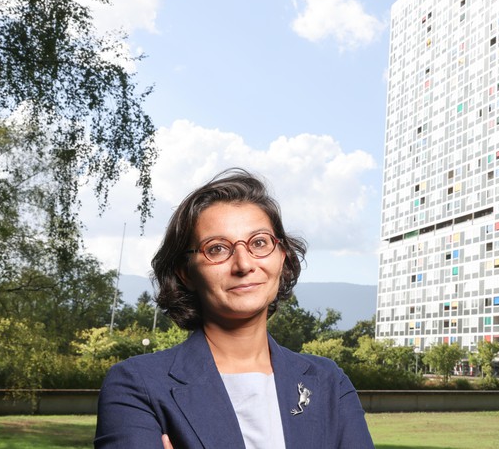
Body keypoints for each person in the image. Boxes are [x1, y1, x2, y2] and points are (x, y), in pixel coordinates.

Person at [95, 169, 374, 448]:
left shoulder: (328, 381)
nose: (244, 264)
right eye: (217, 249)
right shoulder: (136, 385)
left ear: (282, 258)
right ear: (185, 273)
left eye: (259, 243)